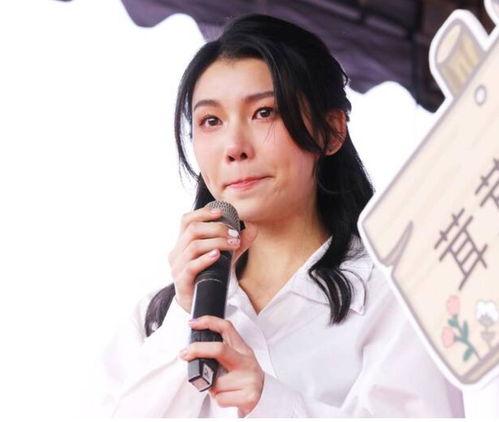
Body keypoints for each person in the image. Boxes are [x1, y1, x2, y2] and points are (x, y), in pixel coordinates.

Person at [91, 14, 464, 417]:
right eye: (211, 121)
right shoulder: (158, 315)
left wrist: (270, 403)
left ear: (330, 130)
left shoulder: (397, 294)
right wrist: (185, 312)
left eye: (264, 112)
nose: (234, 147)